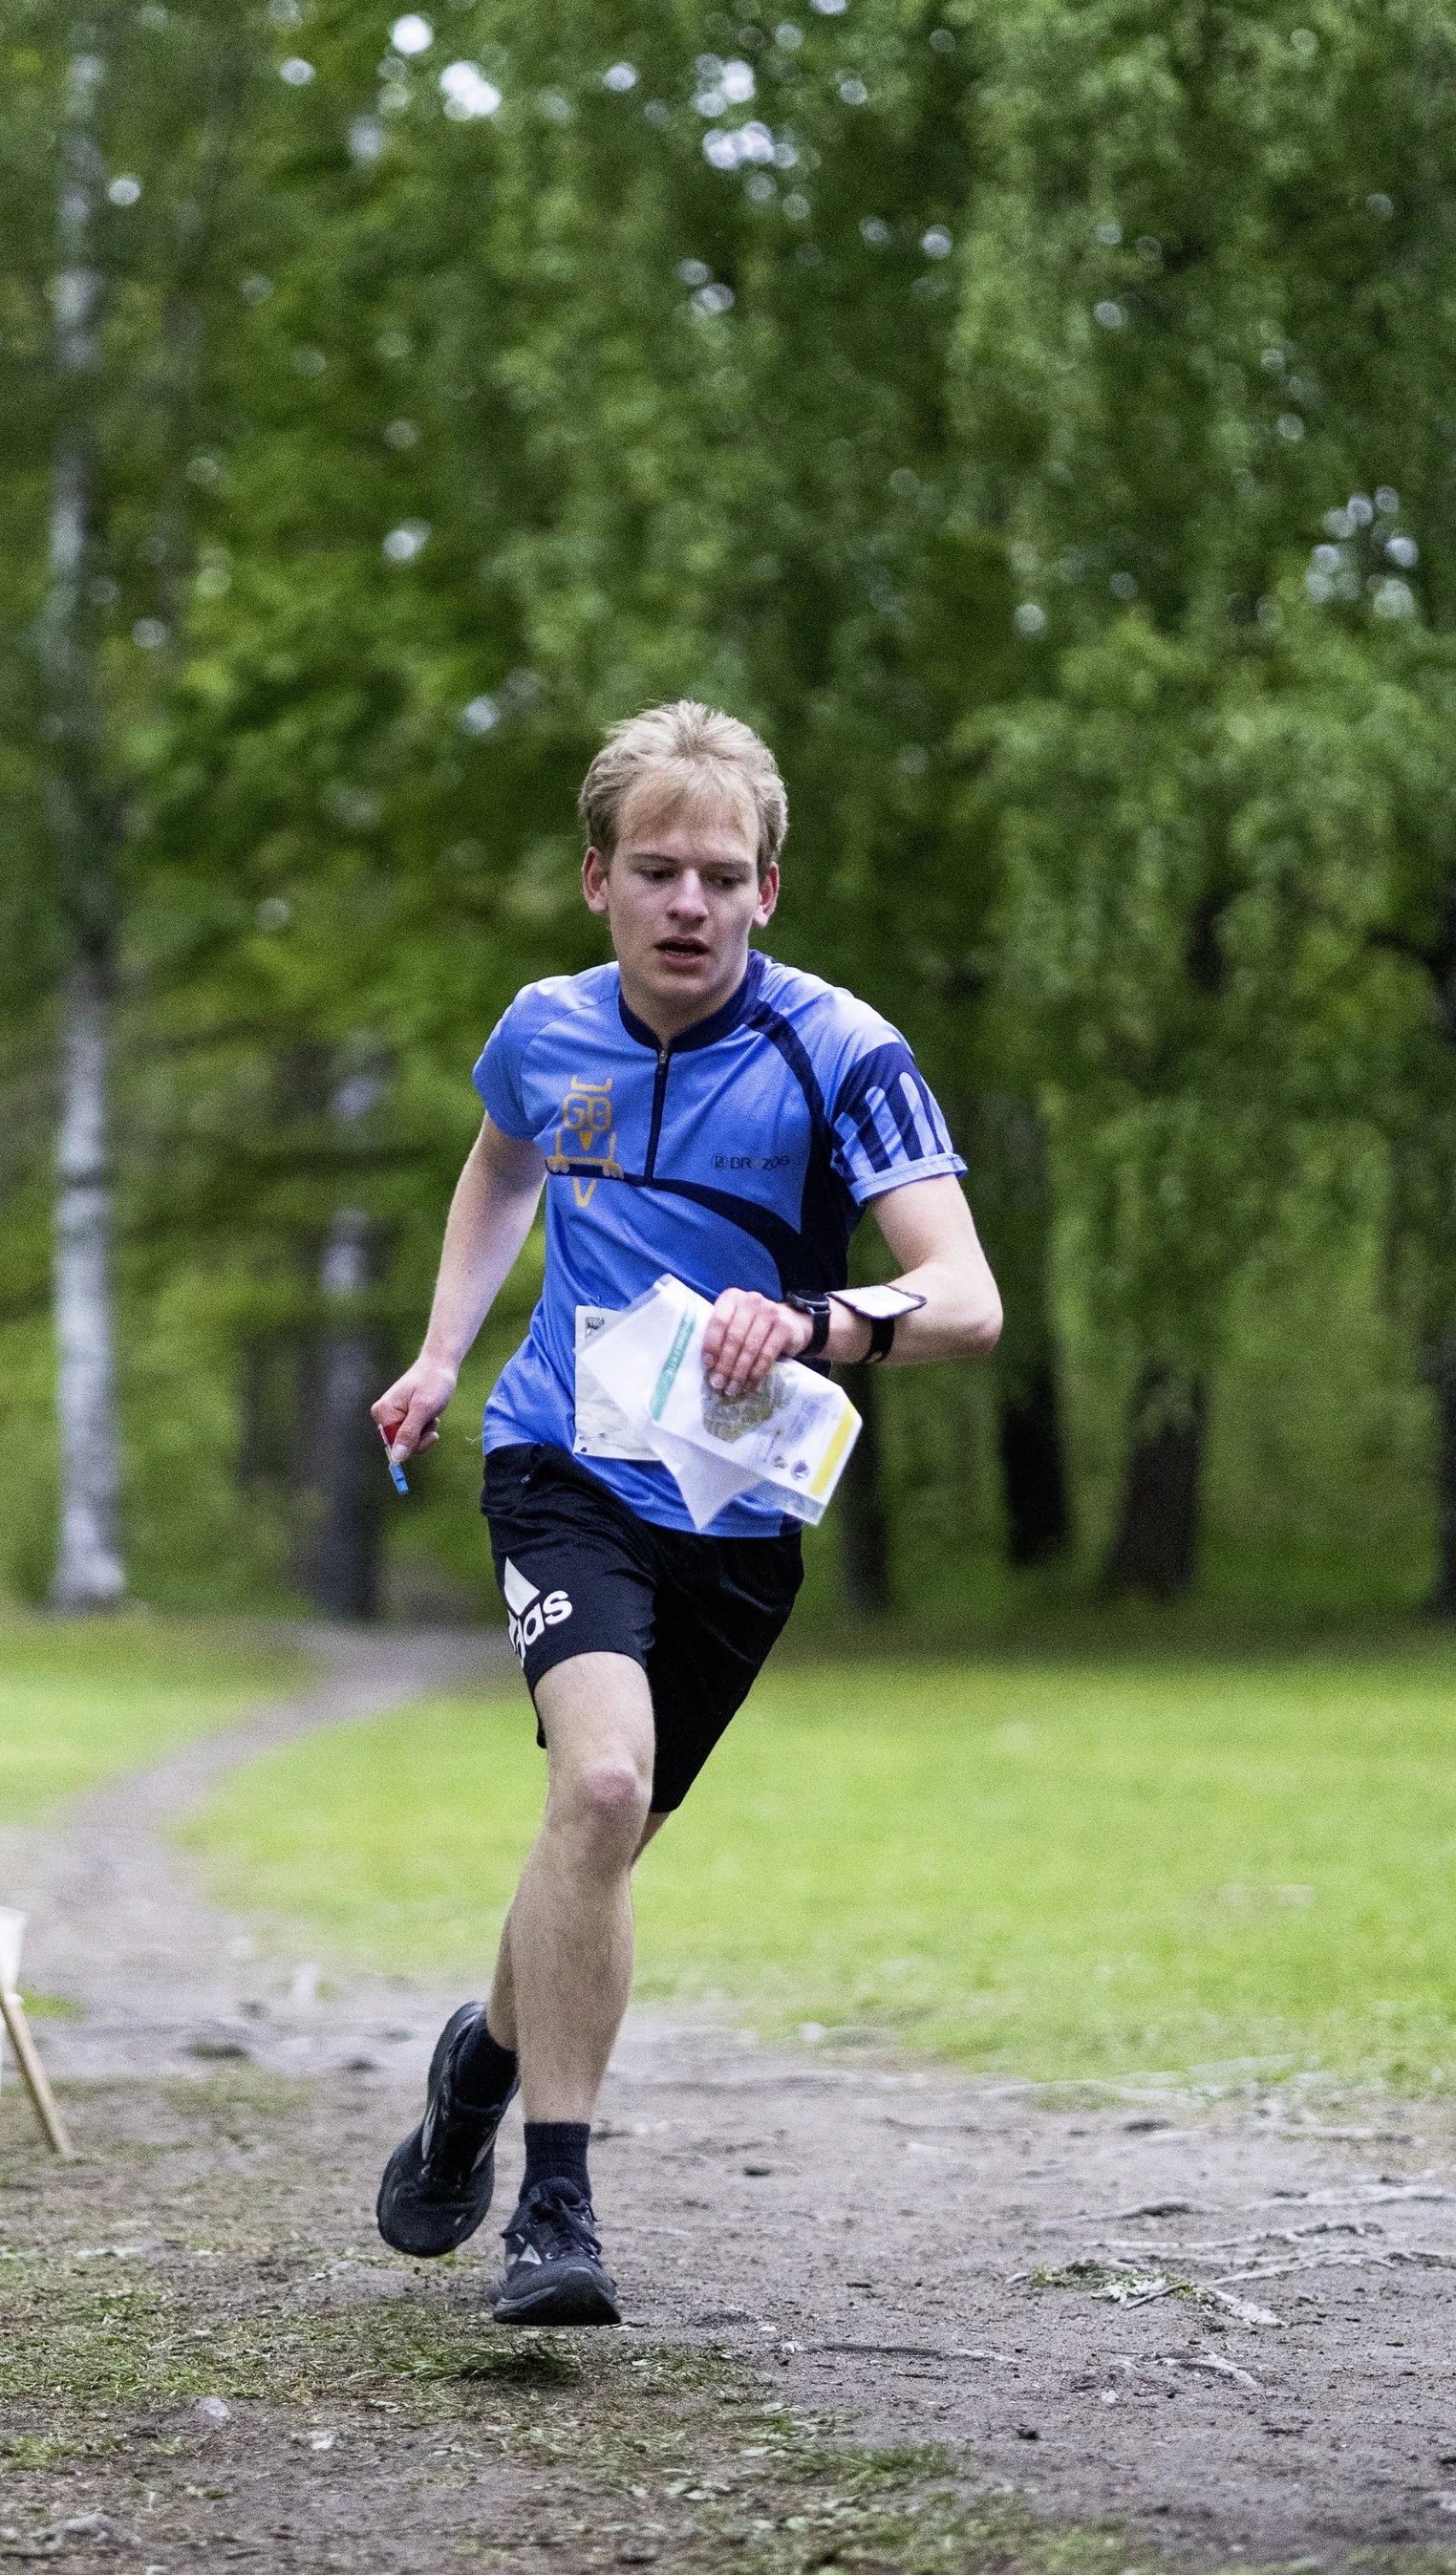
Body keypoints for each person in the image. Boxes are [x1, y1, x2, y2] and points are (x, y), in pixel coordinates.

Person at [368, 701, 1003, 2326]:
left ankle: (477, 2065)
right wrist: (442, 1352)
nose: (690, 904)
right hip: (562, 1463)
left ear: (767, 891)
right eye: (657, 870)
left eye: (723, 876)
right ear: (599, 878)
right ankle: (556, 2211)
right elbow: (501, 1164)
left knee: (598, 1844)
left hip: (737, 1509)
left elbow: (965, 1297)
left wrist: (816, 1321)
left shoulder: (839, 1052)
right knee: (598, 1787)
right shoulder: (546, 1031)